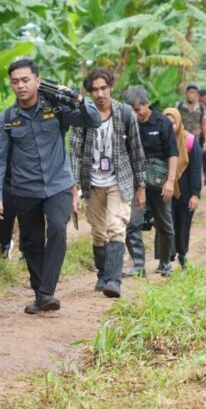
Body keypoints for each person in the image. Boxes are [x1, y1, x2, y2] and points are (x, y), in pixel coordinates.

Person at [0, 58, 100, 314]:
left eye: (26, 80)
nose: (20, 86)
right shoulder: (6, 119)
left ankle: (47, 291)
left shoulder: (57, 109)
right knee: (31, 242)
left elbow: (92, 120)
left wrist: (78, 99)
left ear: (37, 80)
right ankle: (42, 296)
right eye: (15, 81)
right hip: (24, 190)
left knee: (58, 229)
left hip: (58, 184)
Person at [69, 69, 146, 299]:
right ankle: (103, 275)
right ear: (90, 92)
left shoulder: (124, 114)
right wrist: (74, 187)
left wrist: (141, 186)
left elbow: (136, 150)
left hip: (118, 180)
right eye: (95, 89)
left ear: (111, 87)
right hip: (91, 182)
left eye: (104, 88)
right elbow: (74, 152)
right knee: (98, 232)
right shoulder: (82, 115)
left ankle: (114, 280)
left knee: (116, 227)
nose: (100, 93)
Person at [123, 86, 179, 276]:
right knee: (132, 223)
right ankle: (138, 265)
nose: (135, 114)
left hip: (160, 182)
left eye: (138, 109)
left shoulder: (162, 123)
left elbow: (173, 153)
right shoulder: (129, 124)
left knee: (165, 225)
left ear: (147, 104)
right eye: (132, 110)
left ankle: (165, 263)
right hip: (137, 183)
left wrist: (170, 181)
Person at [162, 107, 202, 269]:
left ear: (179, 122)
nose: (170, 126)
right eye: (166, 122)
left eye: (173, 123)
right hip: (165, 190)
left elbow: (195, 170)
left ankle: (182, 254)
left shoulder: (190, 141)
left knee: (183, 224)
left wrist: (195, 194)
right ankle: (166, 258)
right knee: (166, 224)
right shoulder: (160, 139)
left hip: (186, 191)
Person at [177, 85, 206, 182]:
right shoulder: (180, 105)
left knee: (195, 162)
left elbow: (203, 124)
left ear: (197, 95)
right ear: (186, 94)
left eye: (193, 93)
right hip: (182, 138)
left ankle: (195, 184)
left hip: (196, 139)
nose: (191, 95)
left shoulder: (201, 107)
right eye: (189, 92)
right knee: (181, 161)